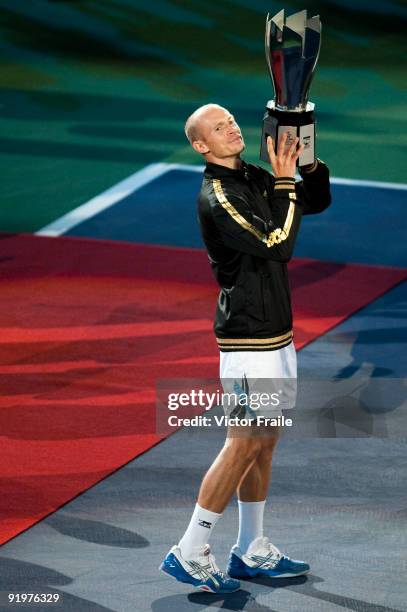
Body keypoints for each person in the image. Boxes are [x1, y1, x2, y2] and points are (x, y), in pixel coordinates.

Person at [160, 104, 331, 593]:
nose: (231, 128)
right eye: (218, 127)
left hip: (275, 331)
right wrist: (282, 182)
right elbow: (278, 240)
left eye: (232, 121)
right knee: (243, 442)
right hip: (248, 338)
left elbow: (311, 202)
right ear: (201, 145)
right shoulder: (218, 196)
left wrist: (308, 165)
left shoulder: (253, 175)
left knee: (265, 440)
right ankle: (190, 549)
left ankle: (251, 548)